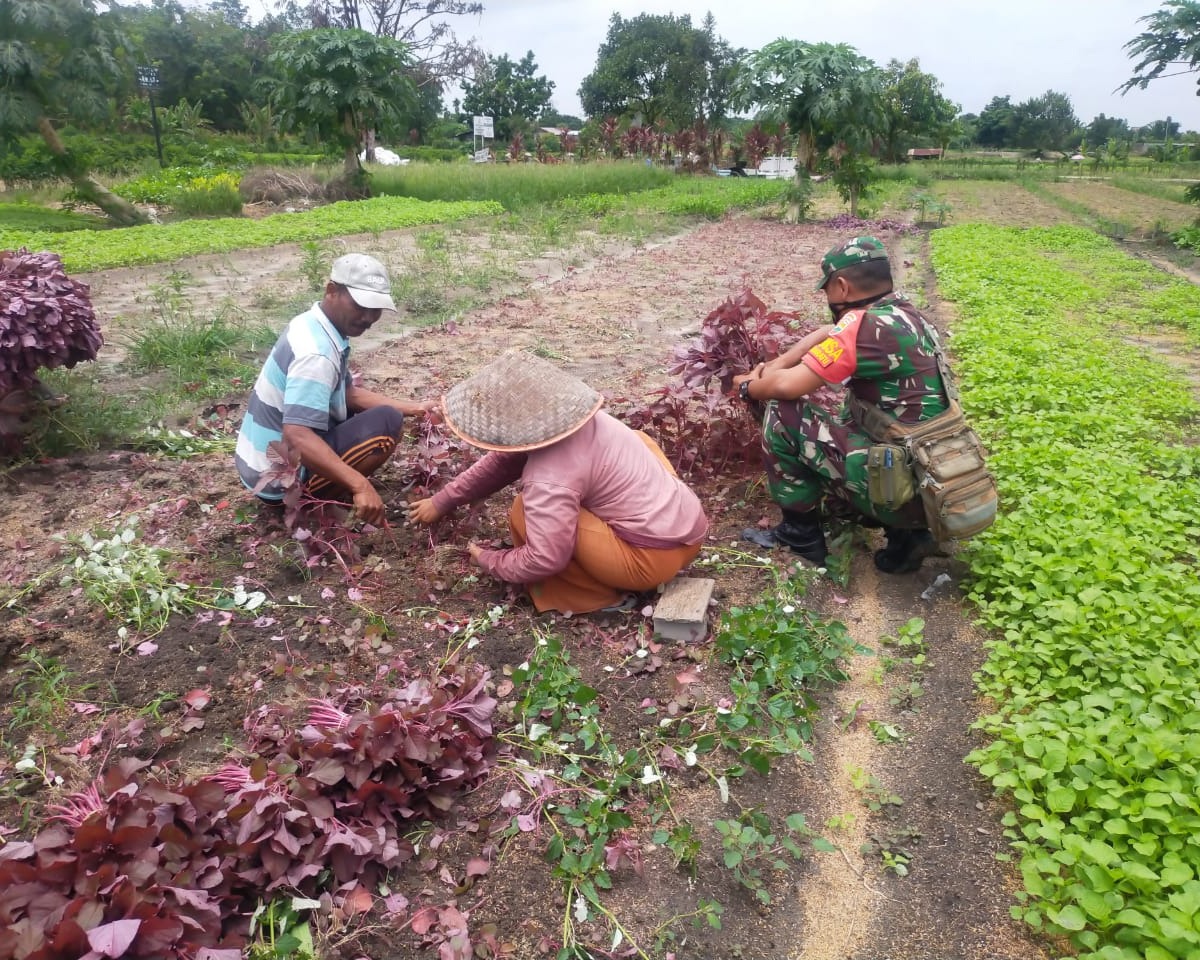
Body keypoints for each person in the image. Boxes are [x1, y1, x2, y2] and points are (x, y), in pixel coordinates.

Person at [407, 351, 709, 614]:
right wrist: (442, 501)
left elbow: (545, 557)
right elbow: (503, 462)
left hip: (648, 560)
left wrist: (490, 559)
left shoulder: (549, 478)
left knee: (525, 512)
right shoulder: (590, 423)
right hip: (690, 530)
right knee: (639, 440)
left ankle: (597, 598)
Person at [730, 236, 951, 574]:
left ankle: (800, 535)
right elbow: (827, 332)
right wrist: (778, 363)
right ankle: (908, 536)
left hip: (903, 492)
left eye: (828, 289)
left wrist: (747, 386)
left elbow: (786, 387)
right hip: (934, 483)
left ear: (842, 287)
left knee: (782, 413)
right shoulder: (905, 315)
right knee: (856, 415)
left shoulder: (861, 326)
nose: (828, 298)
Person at [235, 253, 437, 526]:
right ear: (331, 291)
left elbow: (349, 395)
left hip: (258, 464)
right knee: (386, 426)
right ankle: (318, 502)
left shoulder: (312, 324)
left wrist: (416, 408)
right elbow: (296, 436)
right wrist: (360, 485)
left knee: (383, 414)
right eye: (360, 306)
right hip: (279, 478)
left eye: (375, 308)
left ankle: (328, 486)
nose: (368, 317)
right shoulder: (316, 355)